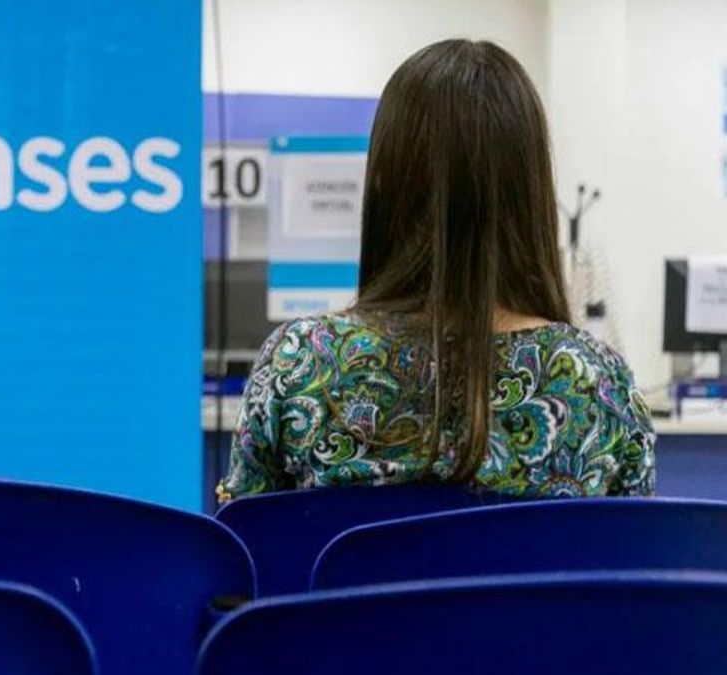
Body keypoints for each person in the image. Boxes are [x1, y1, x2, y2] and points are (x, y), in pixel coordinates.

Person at [217, 40, 655, 503]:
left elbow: (246, 539)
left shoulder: (300, 363)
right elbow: (634, 546)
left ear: (384, 182)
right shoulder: (597, 383)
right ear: (531, 195)